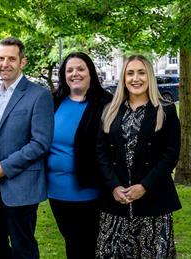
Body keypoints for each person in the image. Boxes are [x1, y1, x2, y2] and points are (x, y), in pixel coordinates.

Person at [96, 55, 181, 258]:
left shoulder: (165, 110)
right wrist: (114, 186)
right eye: (130, 73)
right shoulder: (110, 110)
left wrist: (144, 186)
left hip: (154, 202)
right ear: (123, 78)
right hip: (116, 202)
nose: (136, 78)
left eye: (141, 72)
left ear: (150, 76)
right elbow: (101, 152)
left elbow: (170, 155)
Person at [0, 37, 54, 259]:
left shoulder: (38, 95)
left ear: (23, 62)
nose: (5, 63)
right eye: (1, 58)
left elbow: (40, 143)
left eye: (11, 58)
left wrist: (5, 167)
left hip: (20, 186)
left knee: (23, 249)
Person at [46, 52, 112, 259]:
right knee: (72, 243)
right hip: (56, 191)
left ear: (91, 73)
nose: (75, 73)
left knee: (87, 246)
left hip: (89, 190)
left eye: (81, 69)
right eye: (70, 70)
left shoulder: (105, 103)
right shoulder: (54, 102)